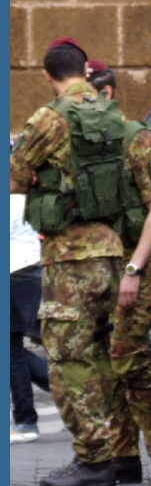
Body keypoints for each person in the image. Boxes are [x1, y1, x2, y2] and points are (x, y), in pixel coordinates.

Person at [10, 38, 125, 486]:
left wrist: (39, 176)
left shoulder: (50, 117)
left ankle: (93, 461)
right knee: (100, 355)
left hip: (71, 256)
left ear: (47, 75)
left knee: (67, 360)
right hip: (111, 250)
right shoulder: (110, 114)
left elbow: (16, 176)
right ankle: (116, 450)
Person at [87, 60, 151, 486]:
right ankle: (123, 455)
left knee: (128, 359)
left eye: (88, 96)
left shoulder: (139, 141)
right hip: (91, 269)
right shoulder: (81, 144)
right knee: (103, 363)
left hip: (129, 264)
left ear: (107, 94)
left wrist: (133, 269)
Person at [10, 165, 50, 444]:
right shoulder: (26, 197)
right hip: (28, 272)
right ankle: (69, 394)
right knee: (13, 350)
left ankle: (26, 422)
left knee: (11, 351)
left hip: (14, 273)